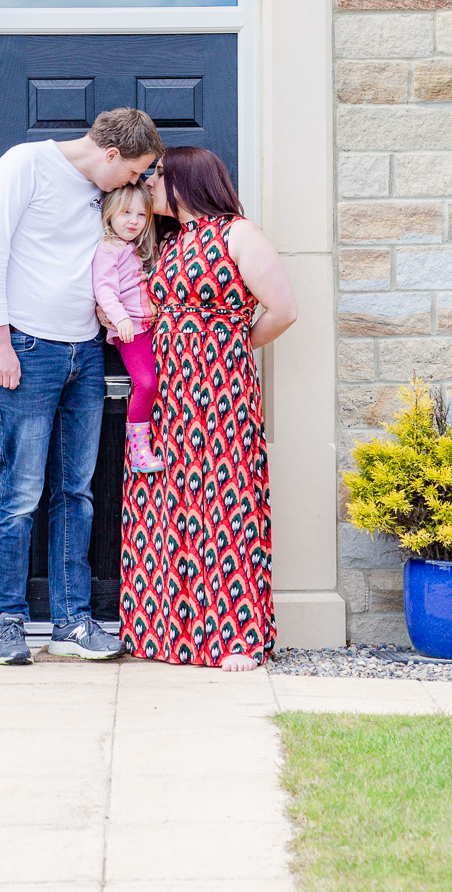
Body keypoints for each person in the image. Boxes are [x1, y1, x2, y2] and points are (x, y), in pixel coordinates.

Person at [0, 108, 163, 665]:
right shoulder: (25, 165)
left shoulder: (103, 194)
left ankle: (73, 622)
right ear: (110, 156)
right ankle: (8, 621)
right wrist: (0, 342)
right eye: (133, 173)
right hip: (28, 351)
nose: (134, 185)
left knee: (75, 494)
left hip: (86, 353)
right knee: (20, 493)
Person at [120, 146, 298, 672]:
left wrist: (228, 345)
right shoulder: (173, 243)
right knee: (165, 504)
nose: (149, 184)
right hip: (169, 398)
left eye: (156, 176)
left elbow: (284, 310)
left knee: (226, 506)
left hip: (221, 396)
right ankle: (172, 633)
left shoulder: (239, 234)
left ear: (184, 181)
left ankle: (236, 637)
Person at [92, 182, 164, 475]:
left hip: (149, 327)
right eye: (125, 213)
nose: (133, 221)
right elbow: (104, 288)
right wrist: (120, 318)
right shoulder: (108, 248)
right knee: (145, 383)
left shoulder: (133, 247)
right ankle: (138, 451)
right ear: (109, 214)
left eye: (141, 215)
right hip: (131, 331)